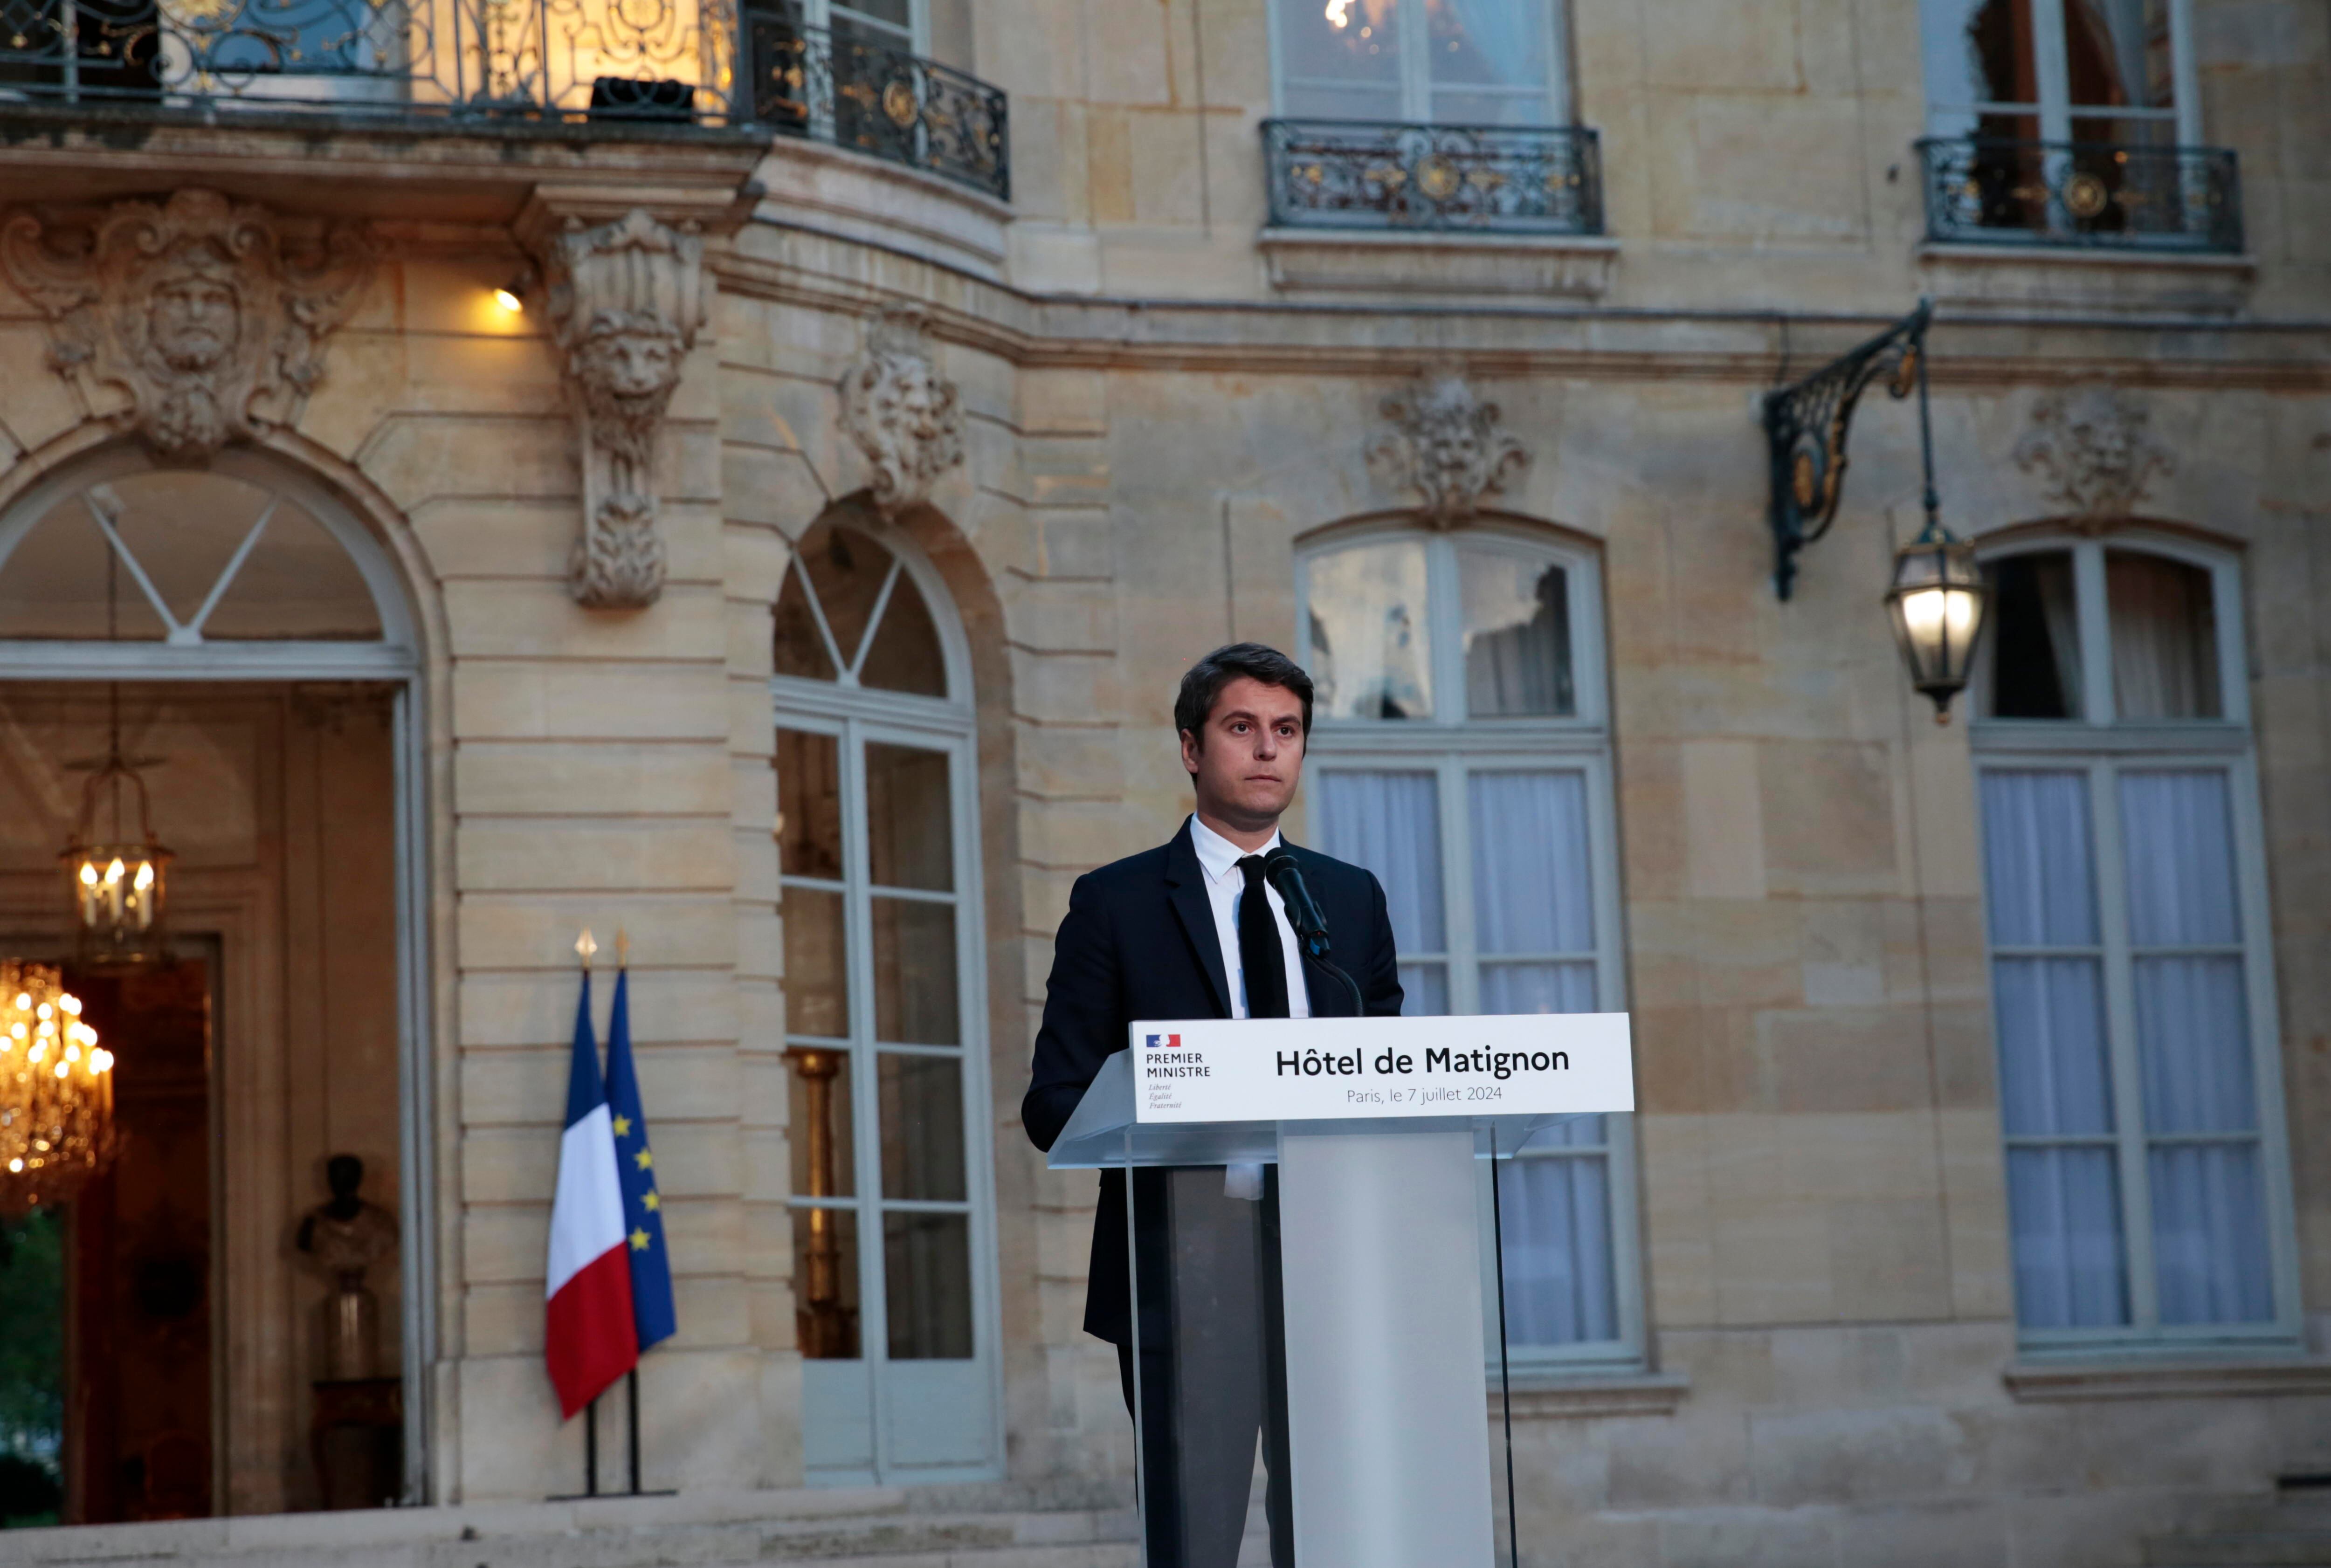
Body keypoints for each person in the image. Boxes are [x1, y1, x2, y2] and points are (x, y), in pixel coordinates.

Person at [1021, 642, 1404, 1568]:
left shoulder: (1347, 900)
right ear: (1192, 748)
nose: (1267, 750)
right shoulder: (1115, 903)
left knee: (1333, 1539)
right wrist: (1173, 1099)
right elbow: (1054, 1100)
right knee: (1195, 1543)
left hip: (1331, 1266)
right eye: (1242, 728)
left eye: (1286, 731)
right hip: (1187, 1270)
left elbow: (1391, 1077)